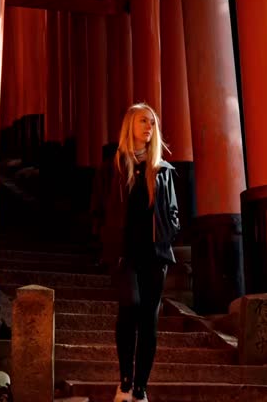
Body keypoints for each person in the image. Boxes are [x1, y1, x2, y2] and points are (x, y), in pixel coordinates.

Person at [91, 103, 180, 402]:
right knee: (130, 305)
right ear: (130, 124)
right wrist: (106, 240)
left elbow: (173, 212)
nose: (149, 128)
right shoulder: (112, 166)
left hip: (155, 256)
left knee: (149, 320)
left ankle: (140, 386)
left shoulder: (163, 170)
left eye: (152, 123)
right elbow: (98, 210)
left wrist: (168, 234)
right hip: (124, 255)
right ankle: (125, 379)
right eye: (143, 121)